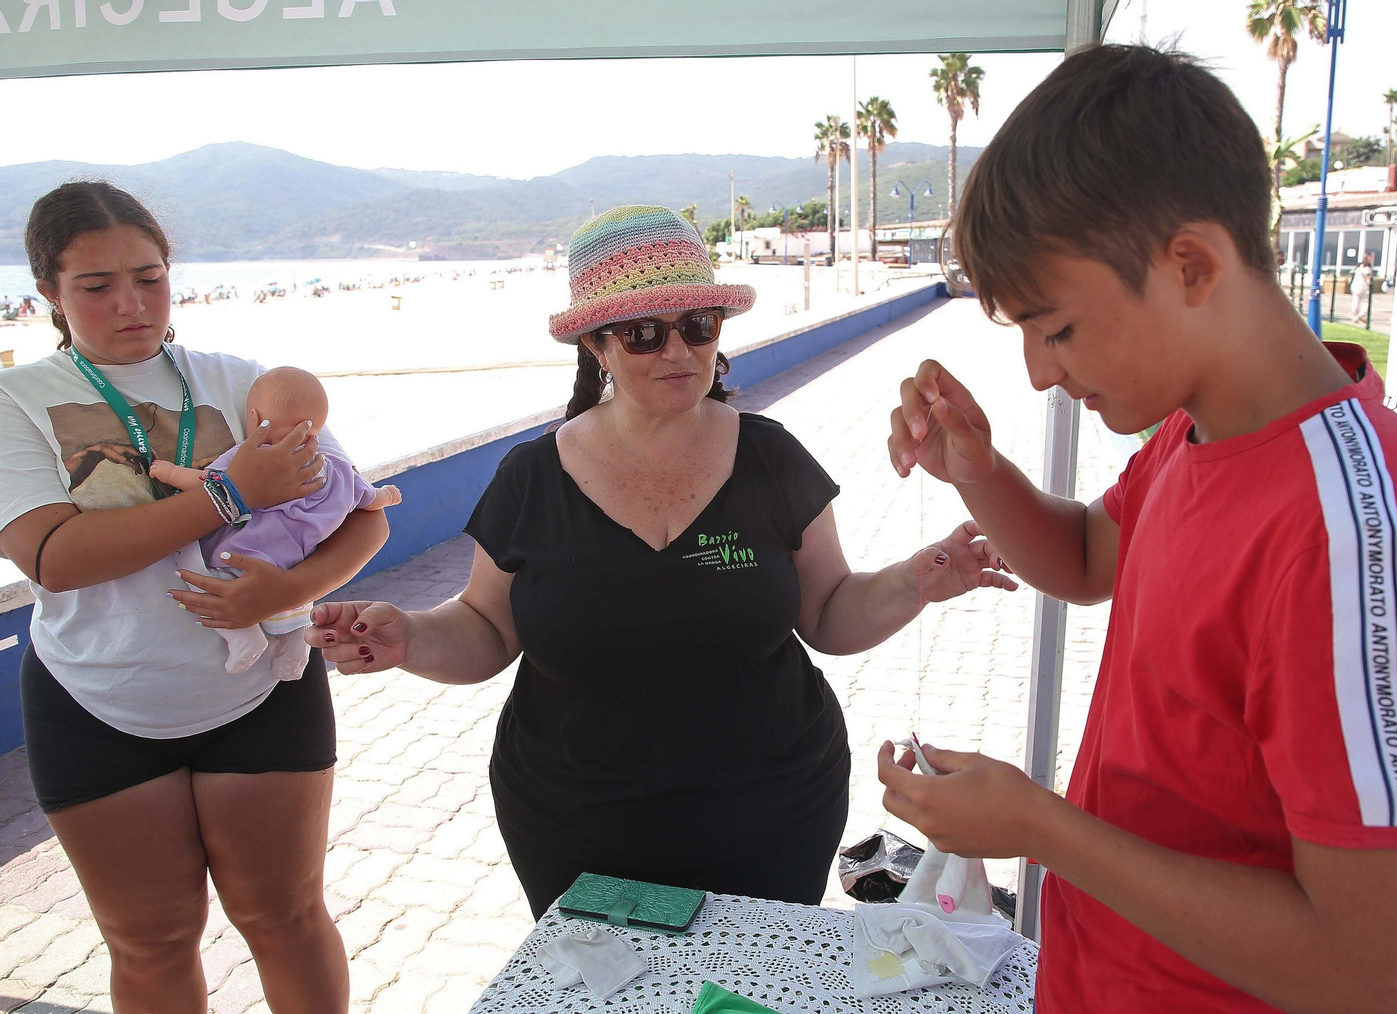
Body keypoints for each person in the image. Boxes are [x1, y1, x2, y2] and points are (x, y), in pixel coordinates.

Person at [877, 46, 1397, 1014]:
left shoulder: (1361, 540)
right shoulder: (1197, 427)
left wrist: (1039, 827)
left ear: (1192, 266)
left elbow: (1370, 974)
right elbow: (1088, 557)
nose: (1041, 373)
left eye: (1059, 329)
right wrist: (978, 471)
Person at [309, 205, 1016, 917]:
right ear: (596, 345)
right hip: (577, 826)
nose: (678, 352)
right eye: (644, 333)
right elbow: (485, 630)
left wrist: (916, 580)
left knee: (751, 994)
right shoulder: (531, 477)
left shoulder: (771, 458)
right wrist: (409, 637)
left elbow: (829, 613)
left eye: (698, 326)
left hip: (774, 816)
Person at [0, 181, 388, 1014]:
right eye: (95, 286)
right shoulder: (14, 399)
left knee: (283, 916)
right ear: (50, 296)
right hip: (95, 697)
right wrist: (228, 495)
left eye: (149, 276)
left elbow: (360, 517)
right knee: (150, 940)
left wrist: (290, 589)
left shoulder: (242, 380)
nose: (131, 304)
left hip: (260, 690)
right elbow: (53, 555)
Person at [152, 366, 402, 680]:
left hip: (243, 552)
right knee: (295, 604)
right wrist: (388, 495)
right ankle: (296, 647)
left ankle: (243, 637)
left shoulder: (250, 457)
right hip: (296, 560)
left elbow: (207, 483)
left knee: (190, 565)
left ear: (255, 420)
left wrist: (168, 473)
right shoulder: (335, 468)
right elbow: (369, 500)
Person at [1351, 253, 1374, 325]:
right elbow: (1368, 279)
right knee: (1366, 301)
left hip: (1355, 286)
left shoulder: (1358, 267)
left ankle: (1354, 317)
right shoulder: (1367, 269)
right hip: (1363, 287)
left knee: (1355, 301)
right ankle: (1361, 314)